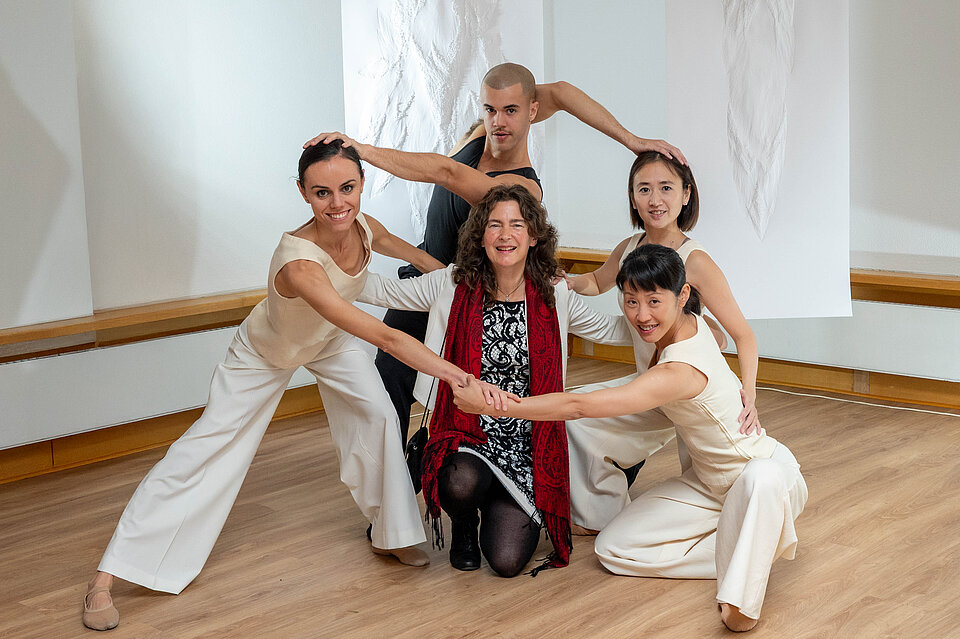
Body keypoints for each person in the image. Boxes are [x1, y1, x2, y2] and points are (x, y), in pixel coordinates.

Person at [81, 140, 510, 631]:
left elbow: (411, 254)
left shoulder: (364, 226)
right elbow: (386, 337)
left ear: (362, 185)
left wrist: (475, 289)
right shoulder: (299, 264)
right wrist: (454, 373)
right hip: (267, 353)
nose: (338, 203)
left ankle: (391, 535)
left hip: (327, 342)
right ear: (303, 192)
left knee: (376, 414)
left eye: (348, 188)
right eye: (322, 193)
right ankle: (107, 577)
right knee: (202, 448)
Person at [306, 62, 686, 445]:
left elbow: (446, 172)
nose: (498, 121)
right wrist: (631, 140)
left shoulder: (523, 188)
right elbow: (562, 92)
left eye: (511, 111)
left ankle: (447, 464)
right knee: (390, 384)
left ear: (532, 111)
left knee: (442, 398)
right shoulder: (481, 133)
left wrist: (363, 151)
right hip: (428, 276)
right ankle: (400, 476)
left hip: (459, 292)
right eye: (490, 109)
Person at [454, 244, 807, 632]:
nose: (641, 315)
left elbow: (578, 406)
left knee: (760, 475)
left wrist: (494, 405)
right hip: (709, 487)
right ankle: (750, 550)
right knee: (612, 548)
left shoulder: (678, 371)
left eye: (654, 301)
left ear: (683, 295)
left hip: (766, 479)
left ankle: (741, 595)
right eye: (631, 301)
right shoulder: (691, 323)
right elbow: (718, 338)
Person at [357, 184, 634, 577]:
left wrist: (673, 323)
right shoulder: (452, 283)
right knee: (458, 482)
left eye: (517, 225)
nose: (506, 235)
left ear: (534, 236)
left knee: (506, 561)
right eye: (495, 225)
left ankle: (498, 497)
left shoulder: (555, 293)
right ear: (481, 235)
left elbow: (610, 329)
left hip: (528, 438)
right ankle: (464, 523)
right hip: (466, 429)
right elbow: (384, 291)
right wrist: (330, 261)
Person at [562, 151, 762, 532]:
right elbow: (598, 281)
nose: (655, 200)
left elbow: (743, 335)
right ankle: (604, 514)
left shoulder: (695, 260)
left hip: (687, 391)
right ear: (632, 197)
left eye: (666, 188)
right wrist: (567, 283)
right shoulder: (629, 247)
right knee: (579, 424)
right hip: (651, 387)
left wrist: (749, 393)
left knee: (716, 493)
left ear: (686, 195)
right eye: (644, 189)